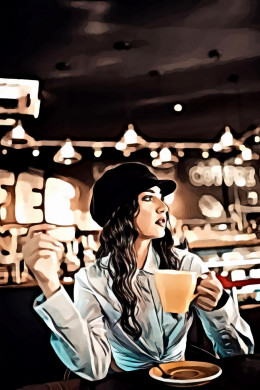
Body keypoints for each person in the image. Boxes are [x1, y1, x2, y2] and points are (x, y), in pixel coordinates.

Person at [22, 163, 254, 382]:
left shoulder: (187, 265)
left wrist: (220, 308)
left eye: (161, 198)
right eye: (148, 198)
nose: (163, 206)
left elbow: (238, 354)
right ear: (121, 212)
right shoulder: (92, 279)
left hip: (184, 380)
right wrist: (49, 284)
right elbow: (93, 367)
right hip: (126, 384)